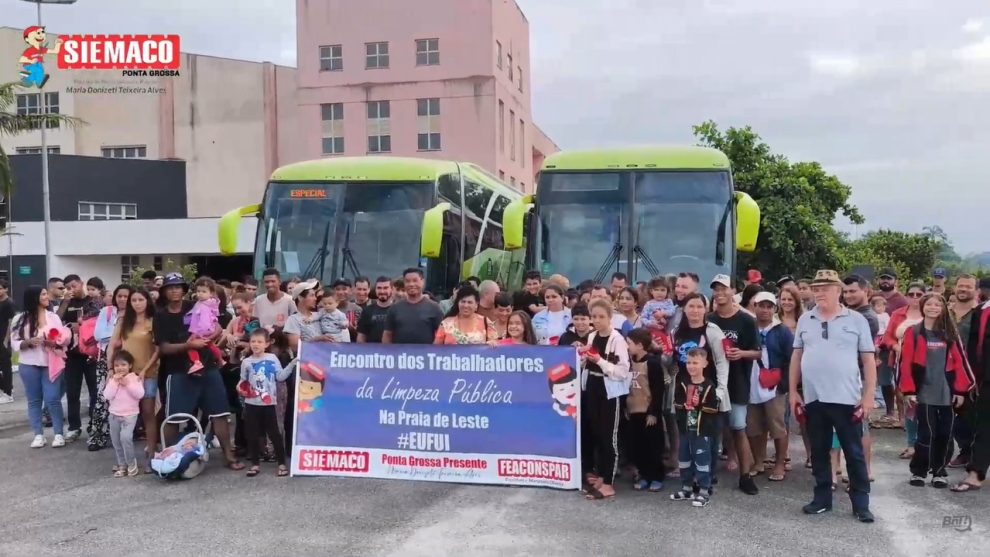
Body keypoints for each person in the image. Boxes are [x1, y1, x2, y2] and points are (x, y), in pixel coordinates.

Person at [789, 269, 877, 523]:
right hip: (814, 398)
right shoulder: (806, 319)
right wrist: (794, 391)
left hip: (847, 398)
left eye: (825, 288)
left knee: (854, 452)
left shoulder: (856, 320)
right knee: (818, 451)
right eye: (816, 288)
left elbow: (868, 360)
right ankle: (821, 499)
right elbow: (797, 355)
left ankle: (861, 503)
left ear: (838, 291)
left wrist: (868, 396)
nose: (819, 293)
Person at [155, 273, 242, 471]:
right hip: (178, 371)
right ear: (164, 291)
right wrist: (188, 345)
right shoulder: (161, 314)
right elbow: (164, 347)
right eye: (170, 287)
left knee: (220, 414)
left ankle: (228, 455)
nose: (175, 290)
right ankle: (169, 456)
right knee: (174, 418)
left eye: (179, 286)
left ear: (185, 290)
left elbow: (218, 325)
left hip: (208, 367)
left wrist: (213, 334)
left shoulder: (196, 304)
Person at [899, 293, 974, 488]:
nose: (933, 307)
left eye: (937, 304)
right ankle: (919, 471)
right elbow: (905, 363)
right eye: (929, 304)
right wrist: (908, 390)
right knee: (925, 434)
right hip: (923, 393)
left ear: (943, 308)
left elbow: (960, 363)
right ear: (923, 307)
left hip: (947, 393)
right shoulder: (913, 332)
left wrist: (960, 390)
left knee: (945, 434)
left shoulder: (949, 333)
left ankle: (939, 471)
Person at [708, 274, 762, 495]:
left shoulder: (747, 320)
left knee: (739, 428)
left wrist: (741, 353)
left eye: (724, 289)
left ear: (733, 291)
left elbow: (758, 352)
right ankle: (708, 474)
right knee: (711, 430)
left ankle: (745, 476)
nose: (720, 293)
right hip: (712, 382)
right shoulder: (709, 319)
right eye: (716, 289)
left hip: (737, 382)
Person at [672, 292, 730, 478]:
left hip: (708, 392)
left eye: (699, 306)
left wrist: (720, 391)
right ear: (684, 309)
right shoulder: (676, 332)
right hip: (684, 392)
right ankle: (689, 477)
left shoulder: (713, 331)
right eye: (691, 306)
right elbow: (672, 362)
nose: (695, 310)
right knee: (687, 435)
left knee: (708, 436)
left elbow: (722, 362)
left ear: (706, 309)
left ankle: (707, 477)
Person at [581, 299, 632, 501]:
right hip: (593, 386)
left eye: (601, 317)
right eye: (594, 317)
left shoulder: (617, 339)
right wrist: (583, 355)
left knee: (609, 436)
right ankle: (602, 476)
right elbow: (588, 360)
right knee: (597, 433)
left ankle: (609, 483)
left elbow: (621, 371)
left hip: (610, 390)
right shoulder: (592, 335)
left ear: (610, 317)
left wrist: (599, 361)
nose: (597, 320)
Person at [12, 286, 69, 448]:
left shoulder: (53, 317)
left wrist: (56, 342)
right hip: (29, 364)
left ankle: (58, 433)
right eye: (43, 294)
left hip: (51, 363)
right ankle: (38, 434)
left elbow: (63, 340)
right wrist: (28, 342)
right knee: (34, 400)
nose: (46, 297)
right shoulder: (20, 319)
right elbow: (14, 342)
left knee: (53, 398)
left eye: (46, 294)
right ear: (34, 297)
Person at [109, 288, 159, 470]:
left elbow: (158, 349)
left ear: (147, 301)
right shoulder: (124, 322)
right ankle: (124, 460)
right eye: (134, 300)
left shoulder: (153, 321)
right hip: (125, 375)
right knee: (122, 414)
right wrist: (110, 368)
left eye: (141, 300)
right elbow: (113, 346)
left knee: (148, 413)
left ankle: (152, 455)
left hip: (148, 373)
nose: (137, 303)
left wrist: (145, 370)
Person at [747, 292, 794, 481]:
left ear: (775, 308)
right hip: (751, 383)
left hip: (775, 386)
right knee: (753, 426)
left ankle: (780, 463)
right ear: (755, 306)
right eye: (761, 306)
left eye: (769, 306)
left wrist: (784, 383)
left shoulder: (781, 331)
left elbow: (791, 358)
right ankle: (759, 461)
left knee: (777, 426)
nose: (765, 310)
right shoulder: (748, 327)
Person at [669, 347, 720, 507]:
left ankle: (704, 490)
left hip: (702, 430)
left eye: (695, 362)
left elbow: (713, 408)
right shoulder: (683, 383)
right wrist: (685, 405)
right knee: (684, 459)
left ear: (705, 363)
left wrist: (699, 405)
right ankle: (687, 488)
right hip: (685, 429)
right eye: (689, 362)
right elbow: (676, 403)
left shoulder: (709, 385)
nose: (691, 366)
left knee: (702, 460)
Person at [952, 281, 990, 492]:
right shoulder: (981, 312)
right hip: (985, 380)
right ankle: (976, 473)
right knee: (984, 426)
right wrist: (972, 378)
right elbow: (974, 350)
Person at [880, 281, 926, 457]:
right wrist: (896, 347)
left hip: (927, 366)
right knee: (909, 403)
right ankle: (911, 443)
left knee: (926, 404)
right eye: (911, 294)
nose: (914, 298)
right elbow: (887, 338)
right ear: (906, 296)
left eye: (919, 294)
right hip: (902, 364)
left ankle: (926, 443)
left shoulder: (931, 312)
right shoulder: (899, 314)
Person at [239, 328, 291, 477]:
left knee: (274, 433)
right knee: (253, 434)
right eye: (253, 341)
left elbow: (280, 377)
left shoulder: (272, 358)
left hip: (268, 403)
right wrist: (240, 387)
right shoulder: (247, 362)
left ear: (267, 344)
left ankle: (281, 463)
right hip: (251, 402)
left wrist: (293, 364)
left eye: (259, 342)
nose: (256, 344)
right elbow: (243, 380)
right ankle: (255, 464)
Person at [87, 284, 131, 451]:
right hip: (107, 360)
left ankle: (124, 436)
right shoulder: (106, 312)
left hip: (129, 360)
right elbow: (98, 335)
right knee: (103, 397)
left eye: (126, 296)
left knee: (126, 398)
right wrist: (117, 337)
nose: (122, 299)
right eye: (119, 296)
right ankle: (97, 436)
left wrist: (112, 336)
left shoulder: (135, 314)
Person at [625, 328, 666, 492]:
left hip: (648, 412)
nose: (626, 346)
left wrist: (653, 412)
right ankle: (643, 475)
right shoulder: (628, 361)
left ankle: (656, 476)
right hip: (633, 410)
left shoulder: (653, 363)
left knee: (653, 446)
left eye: (629, 343)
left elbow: (658, 390)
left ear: (640, 345)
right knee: (638, 446)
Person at [948, 274, 980, 468]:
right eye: (961, 286)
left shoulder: (981, 313)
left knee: (970, 415)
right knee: (948, 414)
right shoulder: (945, 312)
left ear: (976, 291)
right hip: (947, 370)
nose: (964, 289)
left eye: (968, 287)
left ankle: (970, 452)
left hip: (974, 372)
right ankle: (959, 451)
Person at [103, 350, 144, 477]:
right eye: (117, 366)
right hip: (114, 415)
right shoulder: (112, 380)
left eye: (123, 365)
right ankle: (122, 465)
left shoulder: (135, 378)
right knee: (116, 441)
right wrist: (114, 382)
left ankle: (132, 464)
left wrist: (127, 385)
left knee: (125, 438)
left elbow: (140, 394)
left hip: (130, 415)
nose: (120, 368)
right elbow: (107, 395)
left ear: (130, 365)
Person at [383, 269, 444, 345]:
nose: (411, 284)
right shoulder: (394, 308)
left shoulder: (434, 308)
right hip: (400, 355)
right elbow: (387, 335)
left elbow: (441, 335)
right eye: (407, 281)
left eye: (415, 281)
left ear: (422, 281)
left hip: (425, 355)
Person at [186, 277, 224, 375]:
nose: (200, 294)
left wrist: (196, 334)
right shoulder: (209, 303)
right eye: (198, 291)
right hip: (208, 329)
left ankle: (196, 362)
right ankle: (220, 359)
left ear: (211, 293)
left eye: (204, 291)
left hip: (202, 330)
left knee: (190, 344)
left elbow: (203, 322)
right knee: (210, 344)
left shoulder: (203, 306)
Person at [356, 277, 393, 344]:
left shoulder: (398, 310)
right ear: (375, 290)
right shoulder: (367, 311)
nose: (382, 291)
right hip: (372, 353)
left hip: (394, 352)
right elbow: (361, 336)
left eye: (385, 288)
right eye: (379, 288)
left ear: (391, 289)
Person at [0, 279, 16, 404]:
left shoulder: (8, 303)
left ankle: (8, 393)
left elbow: (11, 322)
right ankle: (5, 387)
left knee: (6, 366)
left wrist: (6, 340)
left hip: (4, 339)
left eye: (0, 288)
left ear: (6, 289)